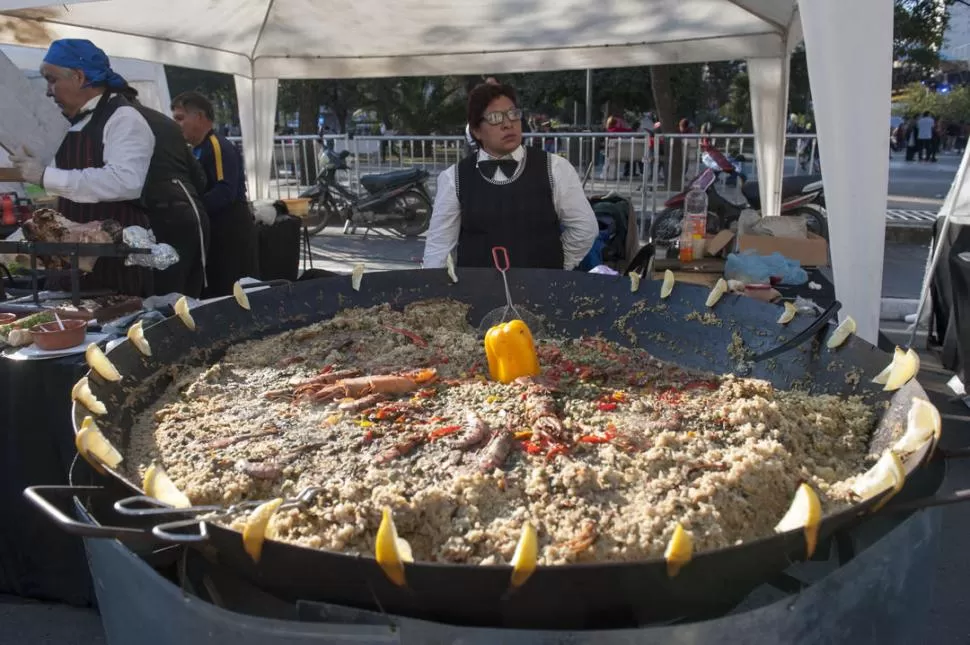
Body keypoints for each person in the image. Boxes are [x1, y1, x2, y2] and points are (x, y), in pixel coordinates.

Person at [10, 38, 158, 296]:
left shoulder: (124, 119)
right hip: (69, 256)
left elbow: (125, 181)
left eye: (52, 79)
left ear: (79, 77)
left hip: (112, 259)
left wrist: (45, 176)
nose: (47, 91)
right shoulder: (69, 124)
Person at [423, 82, 597, 270]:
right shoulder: (453, 178)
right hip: (476, 294)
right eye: (495, 118)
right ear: (476, 131)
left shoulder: (555, 168)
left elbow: (585, 229)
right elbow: (439, 248)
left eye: (513, 114)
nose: (508, 124)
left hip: (543, 291)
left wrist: (558, 265)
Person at [119, 86, 210, 298]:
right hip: (191, 213)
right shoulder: (165, 122)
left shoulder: (126, 122)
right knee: (188, 297)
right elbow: (200, 178)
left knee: (168, 298)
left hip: (166, 215)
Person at [170, 91, 258, 297]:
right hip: (213, 227)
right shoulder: (196, 149)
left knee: (231, 289)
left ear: (199, 117)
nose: (177, 124)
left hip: (230, 228)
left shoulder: (217, 146)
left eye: (180, 118)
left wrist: (194, 210)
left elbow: (224, 190)